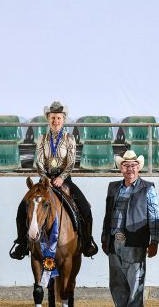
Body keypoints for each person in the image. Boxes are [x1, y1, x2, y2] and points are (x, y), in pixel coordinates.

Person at [9, 100, 98, 259]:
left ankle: (87, 241)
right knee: (22, 208)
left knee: (85, 208)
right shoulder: (42, 139)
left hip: (64, 179)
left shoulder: (69, 138)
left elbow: (71, 162)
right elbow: (39, 161)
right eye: (52, 118)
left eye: (58, 118)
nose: (55, 121)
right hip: (45, 180)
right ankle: (22, 243)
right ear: (48, 119)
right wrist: (45, 178)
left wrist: (62, 178)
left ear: (63, 120)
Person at [101, 150, 159, 307]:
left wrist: (154, 240)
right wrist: (105, 238)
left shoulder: (147, 188)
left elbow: (154, 216)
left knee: (135, 283)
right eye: (126, 166)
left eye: (133, 166)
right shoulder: (113, 187)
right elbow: (107, 215)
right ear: (121, 168)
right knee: (117, 284)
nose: (130, 169)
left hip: (135, 241)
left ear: (138, 168)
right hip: (115, 241)